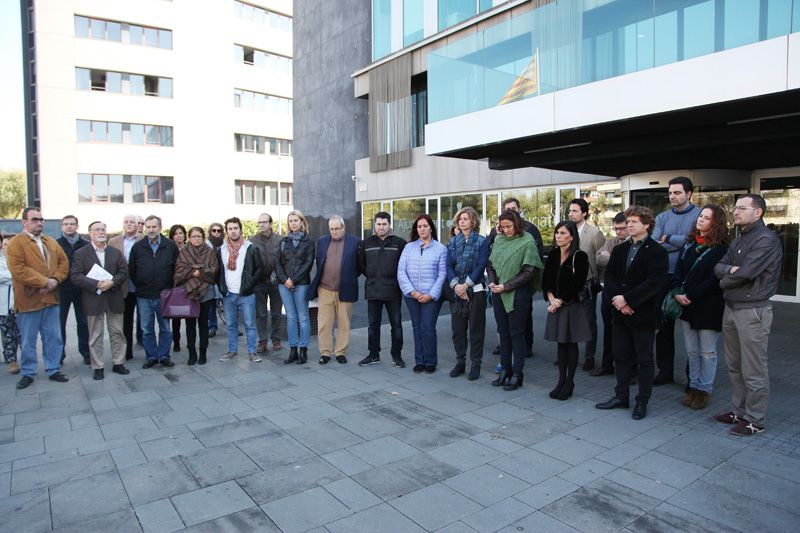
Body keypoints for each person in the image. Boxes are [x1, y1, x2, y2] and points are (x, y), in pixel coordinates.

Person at [713, 194, 782, 436]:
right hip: (732, 308)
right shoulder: (739, 238)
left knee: (753, 369)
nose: (736, 212)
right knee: (734, 365)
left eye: (742, 208)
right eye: (736, 208)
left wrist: (726, 279)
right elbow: (719, 266)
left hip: (753, 311)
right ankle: (738, 411)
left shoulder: (766, 240)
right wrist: (731, 272)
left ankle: (755, 419)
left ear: (758, 212)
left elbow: (747, 273)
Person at [596, 206, 668, 420]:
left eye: (634, 222)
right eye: (628, 222)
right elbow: (609, 279)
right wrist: (618, 301)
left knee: (644, 359)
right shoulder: (619, 250)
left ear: (646, 225)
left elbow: (654, 283)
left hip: (642, 314)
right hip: (619, 313)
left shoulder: (657, 251)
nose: (629, 225)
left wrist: (628, 299)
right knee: (621, 356)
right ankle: (621, 396)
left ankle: (642, 401)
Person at [670, 204, 728, 410]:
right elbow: (678, 271)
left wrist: (689, 295)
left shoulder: (721, 249)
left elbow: (713, 280)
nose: (700, 220)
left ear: (716, 223)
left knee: (707, 352)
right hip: (686, 304)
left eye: (706, 217)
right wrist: (677, 292)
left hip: (708, 306)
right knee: (692, 352)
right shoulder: (689, 244)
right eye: (700, 216)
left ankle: (704, 390)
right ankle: (693, 386)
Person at [6, 207, 70, 389]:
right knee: (27, 340)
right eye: (35, 219)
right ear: (24, 222)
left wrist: (55, 280)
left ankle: (53, 369)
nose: (40, 222)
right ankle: (28, 372)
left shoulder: (49, 241)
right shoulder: (15, 243)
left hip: (51, 299)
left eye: (41, 219)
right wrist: (44, 282)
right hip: (28, 301)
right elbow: (19, 270)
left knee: (54, 337)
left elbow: (63, 263)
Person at [652, 176, 701, 386]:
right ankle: (665, 372)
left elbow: (697, 240)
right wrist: (681, 242)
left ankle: (693, 378)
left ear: (689, 194)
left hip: (690, 277)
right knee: (663, 327)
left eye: (677, 192)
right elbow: (654, 242)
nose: (673, 196)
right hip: (665, 276)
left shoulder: (700, 215)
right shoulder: (662, 217)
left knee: (692, 327)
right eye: (670, 193)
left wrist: (669, 238)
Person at [487, 210, 543, 390]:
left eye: (509, 226)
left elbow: (529, 271)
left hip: (518, 295)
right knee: (503, 333)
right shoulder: (499, 240)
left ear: (517, 224)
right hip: (498, 292)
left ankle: (517, 374)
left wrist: (506, 286)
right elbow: (490, 264)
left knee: (516, 333)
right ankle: (505, 370)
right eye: (502, 227)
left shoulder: (527, 241)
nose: (506, 230)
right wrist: (493, 282)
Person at [69, 221, 130, 380]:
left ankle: (118, 363)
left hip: (113, 297)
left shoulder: (115, 252)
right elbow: (75, 276)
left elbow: (123, 272)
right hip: (93, 299)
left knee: (117, 332)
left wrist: (112, 282)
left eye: (103, 229)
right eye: (97, 230)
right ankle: (98, 366)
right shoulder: (81, 253)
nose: (101, 232)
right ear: (90, 233)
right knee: (95, 334)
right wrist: (96, 284)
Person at [543, 221, 591, 400]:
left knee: (570, 343)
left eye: (563, 233)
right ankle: (560, 380)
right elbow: (546, 279)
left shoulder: (579, 256)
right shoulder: (553, 254)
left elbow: (577, 283)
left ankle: (569, 382)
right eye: (557, 233)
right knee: (560, 344)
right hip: (554, 304)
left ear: (572, 236)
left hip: (570, 306)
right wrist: (550, 298)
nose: (558, 236)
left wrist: (559, 301)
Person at [397, 214, 448, 373]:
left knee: (428, 327)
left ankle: (431, 361)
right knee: (416, 327)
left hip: (431, 296)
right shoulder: (409, 247)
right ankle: (420, 360)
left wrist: (431, 294)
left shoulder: (441, 249)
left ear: (431, 227)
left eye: (425, 226)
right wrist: (412, 292)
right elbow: (401, 271)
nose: (422, 229)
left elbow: (442, 274)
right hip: (412, 295)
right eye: (419, 226)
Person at [129, 215, 179, 368]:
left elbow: (176, 268)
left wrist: (170, 288)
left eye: (154, 227)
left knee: (165, 328)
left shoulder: (170, 245)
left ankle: (164, 355)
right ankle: (151, 356)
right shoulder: (138, 247)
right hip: (144, 295)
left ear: (160, 227)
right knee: (146, 329)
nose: (151, 230)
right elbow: (132, 270)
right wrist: (141, 285)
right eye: (148, 227)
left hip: (164, 295)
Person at [310, 215, 361, 365]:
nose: (334, 232)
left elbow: (359, 265)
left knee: (344, 322)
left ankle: (340, 352)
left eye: (337, 228)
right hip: (325, 289)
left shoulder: (355, 242)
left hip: (345, 289)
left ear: (343, 227)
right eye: (331, 229)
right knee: (324, 323)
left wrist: (348, 277)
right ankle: (325, 352)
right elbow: (320, 262)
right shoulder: (322, 241)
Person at [358, 211, 407, 368]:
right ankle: (373, 355)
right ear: (375, 225)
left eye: (384, 224)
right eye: (378, 224)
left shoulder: (400, 243)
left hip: (393, 290)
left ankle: (397, 356)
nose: (381, 227)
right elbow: (362, 265)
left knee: (396, 324)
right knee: (373, 325)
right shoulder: (366, 243)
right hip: (373, 290)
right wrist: (372, 276)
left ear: (389, 225)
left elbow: (404, 266)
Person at [446, 207, 489, 381]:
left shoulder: (481, 241)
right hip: (457, 292)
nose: (462, 221)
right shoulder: (453, 241)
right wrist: (457, 285)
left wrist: (467, 285)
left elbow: (481, 265)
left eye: (466, 218)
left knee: (476, 330)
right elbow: (448, 265)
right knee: (458, 330)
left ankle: (476, 364)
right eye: (460, 219)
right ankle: (460, 362)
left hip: (476, 291)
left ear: (473, 221)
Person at [217, 217, 263, 363]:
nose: (233, 231)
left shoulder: (250, 248)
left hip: (246, 294)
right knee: (231, 325)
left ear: (241, 229)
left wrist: (249, 284)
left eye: (235, 228)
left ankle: (252, 352)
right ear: (227, 231)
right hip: (228, 294)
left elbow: (259, 269)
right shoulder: (222, 250)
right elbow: (218, 271)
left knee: (250, 324)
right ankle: (232, 351)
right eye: (230, 229)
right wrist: (222, 287)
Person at [567, 198, 606, 371]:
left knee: (589, 322)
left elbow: (600, 258)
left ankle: (589, 357)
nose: (571, 214)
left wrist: (595, 278)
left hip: (586, 284)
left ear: (584, 213)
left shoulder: (594, 233)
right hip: (568, 285)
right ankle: (567, 355)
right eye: (570, 210)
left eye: (575, 211)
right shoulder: (565, 231)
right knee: (567, 321)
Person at [174, 227, 219, 365]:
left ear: (203, 237)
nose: (196, 239)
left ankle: (203, 353)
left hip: (206, 292)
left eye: (199, 236)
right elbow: (179, 271)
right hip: (189, 292)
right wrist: (195, 271)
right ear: (189, 237)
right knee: (190, 325)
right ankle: (192, 353)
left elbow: (214, 269)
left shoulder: (209, 251)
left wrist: (197, 271)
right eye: (193, 236)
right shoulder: (184, 252)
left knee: (203, 324)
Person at [592, 212, 629, 377]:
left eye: (622, 229)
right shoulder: (611, 241)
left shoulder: (636, 245)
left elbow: (627, 265)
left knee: (627, 335)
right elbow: (598, 258)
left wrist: (612, 257)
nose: (618, 232)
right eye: (616, 229)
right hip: (608, 294)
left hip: (627, 296)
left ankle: (630, 371)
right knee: (608, 331)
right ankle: (607, 365)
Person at [275, 210, 314, 365]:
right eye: (290, 221)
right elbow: (277, 263)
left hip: (302, 284)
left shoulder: (308, 241)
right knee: (291, 317)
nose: (293, 223)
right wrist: (285, 280)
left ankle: (303, 350)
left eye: (296, 220)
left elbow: (308, 263)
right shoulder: (283, 241)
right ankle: (293, 351)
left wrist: (294, 279)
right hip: (284, 284)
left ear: (302, 222)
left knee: (303, 317)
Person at [56, 215, 91, 365]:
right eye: (66, 224)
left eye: (72, 224)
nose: (69, 226)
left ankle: (86, 353)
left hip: (81, 289)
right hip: (62, 289)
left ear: (77, 226)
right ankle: (59, 354)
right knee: (59, 323)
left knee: (83, 322)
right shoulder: (55, 244)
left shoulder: (86, 244)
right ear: (62, 226)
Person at [109, 215, 143, 360]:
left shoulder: (144, 239)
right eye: (126, 222)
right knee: (126, 320)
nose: (129, 224)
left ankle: (145, 345)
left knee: (145, 320)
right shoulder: (113, 241)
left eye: (132, 222)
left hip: (141, 285)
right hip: (123, 287)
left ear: (137, 225)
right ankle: (126, 351)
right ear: (122, 225)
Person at [249, 213, 283, 353]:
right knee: (261, 313)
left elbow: (283, 260)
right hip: (259, 283)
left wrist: (278, 274)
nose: (261, 224)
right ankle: (262, 341)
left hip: (276, 282)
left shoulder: (280, 240)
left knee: (276, 313)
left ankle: (276, 339)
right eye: (259, 222)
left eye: (264, 222)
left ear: (270, 223)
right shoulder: (252, 241)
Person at [1, 233, 21, 374]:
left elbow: (23, 275)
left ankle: (26, 359)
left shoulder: (19, 260)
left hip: (19, 303)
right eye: (5, 244)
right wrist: (15, 277)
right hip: (3, 304)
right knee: (7, 333)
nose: (7, 247)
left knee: (21, 333)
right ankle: (11, 360)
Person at [168, 224, 187, 353]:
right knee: (176, 316)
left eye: (181, 233)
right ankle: (176, 341)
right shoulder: (169, 249)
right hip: (175, 286)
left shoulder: (190, 248)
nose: (179, 235)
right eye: (176, 233)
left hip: (188, 285)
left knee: (190, 314)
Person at [206, 222, 225, 338]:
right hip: (211, 278)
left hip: (224, 278)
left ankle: (232, 326)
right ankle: (212, 326)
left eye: (219, 230)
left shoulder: (226, 244)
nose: (216, 232)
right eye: (214, 230)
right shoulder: (206, 245)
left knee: (229, 304)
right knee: (211, 305)